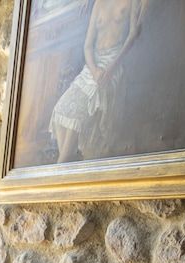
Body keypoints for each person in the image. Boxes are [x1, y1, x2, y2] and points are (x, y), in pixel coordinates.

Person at [49, 0, 144, 163]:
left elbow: (132, 36)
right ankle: (67, 160)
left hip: (113, 63)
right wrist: (94, 70)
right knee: (59, 111)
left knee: (76, 119)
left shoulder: (131, 1)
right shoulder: (99, 3)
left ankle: (62, 164)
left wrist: (111, 68)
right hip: (92, 67)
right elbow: (87, 46)